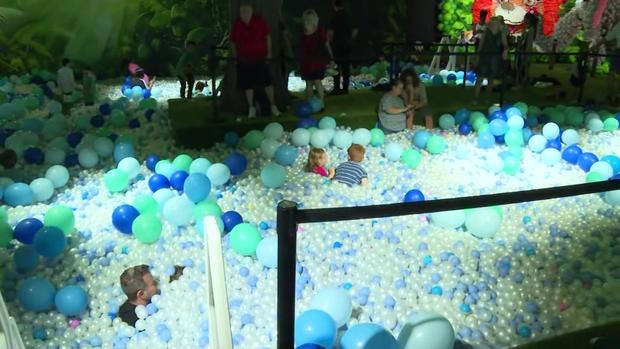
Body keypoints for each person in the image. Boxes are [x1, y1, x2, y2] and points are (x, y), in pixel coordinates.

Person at [230, 1, 281, 119]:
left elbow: (267, 36)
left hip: (260, 58)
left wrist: (269, 53)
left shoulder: (259, 21)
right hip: (244, 60)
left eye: (247, 11)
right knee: (247, 85)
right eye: (242, 11)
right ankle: (251, 108)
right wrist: (235, 56)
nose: (244, 13)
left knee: (267, 82)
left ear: (252, 11)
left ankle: (273, 106)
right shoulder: (237, 24)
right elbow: (232, 41)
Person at [299, 9, 334, 109]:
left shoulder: (319, 32)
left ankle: (320, 103)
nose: (306, 21)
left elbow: (326, 45)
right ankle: (313, 104)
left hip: (316, 62)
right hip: (308, 62)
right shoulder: (305, 33)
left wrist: (331, 58)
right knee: (311, 83)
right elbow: (302, 48)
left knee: (315, 82)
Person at [473, 17, 508, 104]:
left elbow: (505, 45)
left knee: (490, 79)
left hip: (494, 58)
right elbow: (481, 44)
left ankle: (487, 97)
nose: (494, 25)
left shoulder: (501, 33)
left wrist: (505, 51)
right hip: (485, 56)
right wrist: (477, 56)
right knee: (480, 78)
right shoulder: (487, 32)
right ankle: (476, 97)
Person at [328, 0, 358, 95]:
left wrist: (330, 41)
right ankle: (345, 88)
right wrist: (349, 39)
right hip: (347, 45)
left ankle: (336, 88)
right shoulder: (349, 16)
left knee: (336, 67)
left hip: (336, 45)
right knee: (346, 68)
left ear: (334, 5)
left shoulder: (334, 17)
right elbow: (355, 30)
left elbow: (331, 33)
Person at [515, 13, 538, 87]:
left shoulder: (530, 29)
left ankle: (521, 85)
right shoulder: (527, 28)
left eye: (525, 18)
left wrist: (526, 54)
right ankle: (521, 83)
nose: (524, 19)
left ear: (528, 19)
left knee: (523, 68)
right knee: (521, 68)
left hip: (525, 52)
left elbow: (528, 42)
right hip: (523, 51)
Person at [605, 20, 620, 105]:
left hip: (618, 51)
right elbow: (608, 38)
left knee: (611, 74)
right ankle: (616, 97)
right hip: (617, 51)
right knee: (611, 74)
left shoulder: (618, 24)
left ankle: (610, 96)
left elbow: (607, 38)